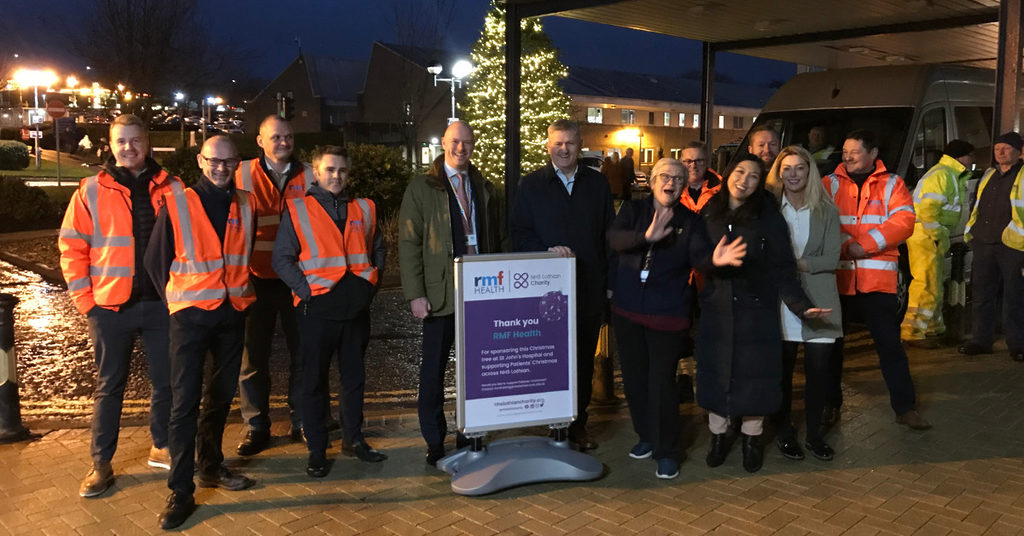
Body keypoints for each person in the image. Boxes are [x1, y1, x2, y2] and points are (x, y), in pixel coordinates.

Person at [58, 114, 179, 498]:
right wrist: (86, 302)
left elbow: (189, 245)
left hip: (162, 304)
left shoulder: (174, 187)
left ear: (148, 142)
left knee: (166, 384)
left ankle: (162, 446)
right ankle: (101, 464)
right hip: (110, 307)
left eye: (135, 140)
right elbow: (72, 248)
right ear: (110, 145)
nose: (128, 147)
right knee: (110, 387)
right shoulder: (90, 190)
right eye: (120, 141)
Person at [608, 157, 746, 479]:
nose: (670, 182)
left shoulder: (691, 221)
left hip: (666, 315)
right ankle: (646, 436)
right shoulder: (633, 211)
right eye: (664, 176)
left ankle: (667, 450)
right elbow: (615, 240)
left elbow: (699, 257)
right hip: (628, 311)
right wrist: (647, 236)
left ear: (683, 186)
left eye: (677, 178)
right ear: (652, 181)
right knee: (635, 381)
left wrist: (714, 259)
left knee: (661, 384)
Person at [145, 135, 257, 529]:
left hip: (232, 314)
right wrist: (179, 301)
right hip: (190, 319)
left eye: (229, 162)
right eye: (214, 161)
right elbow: (156, 262)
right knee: (184, 404)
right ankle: (180, 490)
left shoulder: (246, 202)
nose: (222, 168)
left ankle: (211, 465)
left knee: (220, 398)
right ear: (201, 160)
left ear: (237, 164)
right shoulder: (176, 202)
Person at [696, 154, 831, 474]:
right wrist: (714, 260)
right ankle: (718, 435)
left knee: (754, 377)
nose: (744, 179)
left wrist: (801, 305)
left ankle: (751, 438)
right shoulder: (709, 211)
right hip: (718, 309)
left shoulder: (768, 215)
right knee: (717, 373)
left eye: (754, 175)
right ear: (728, 174)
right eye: (739, 172)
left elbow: (783, 268)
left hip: (756, 308)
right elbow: (695, 255)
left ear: (760, 182)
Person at [272, 146, 388, 478]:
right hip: (317, 310)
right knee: (314, 382)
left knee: (354, 379)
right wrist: (305, 290)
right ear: (316, 173)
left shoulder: (364, 208)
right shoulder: (297, 210)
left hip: (355, 309)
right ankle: (317, 450)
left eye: (342, 171)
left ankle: (353, 439)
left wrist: (371, 283)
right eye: (329, 170)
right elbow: (282, 259)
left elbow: (377, 247)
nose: (336, 176)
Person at [398, 120, 502, 466]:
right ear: (444, 142)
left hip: (480, 292)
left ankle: (471, 431)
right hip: (441, 293)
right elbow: (409, 243)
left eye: (468, 142)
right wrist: (415, 293)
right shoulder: (422, 187)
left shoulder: (484, 186)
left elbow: (496, 239)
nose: (461, 148)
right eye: (455, 141)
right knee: (433, 371)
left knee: (476, 370)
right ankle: (434, 439)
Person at [511, 119, 615, 451]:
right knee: (550, 359)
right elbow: (519, 233)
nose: (564, 149)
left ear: (580, 145)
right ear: (547, 145)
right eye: (558, 143)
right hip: (546, 291)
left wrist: (609, 284)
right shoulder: (531, 185)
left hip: (587, 288)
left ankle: (577, 424)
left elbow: (608, 236)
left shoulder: (597, 184)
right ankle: (553, 424)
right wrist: (544, 252)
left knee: (583, 360)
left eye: (570, 143)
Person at [823, 130, 931, 430]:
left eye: (854, 151)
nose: (847, 156)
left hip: (877, 284)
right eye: (845, 151)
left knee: (889, 347)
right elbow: (823, 220)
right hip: (839, 281)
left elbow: (904, 221)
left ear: (873, 153)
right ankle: (830, 404)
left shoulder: (893, 183)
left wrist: (865, 244)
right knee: (832, 348)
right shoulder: (829, 184)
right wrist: (848, 243)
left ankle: (905, 407)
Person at [235, 115, 315, 456]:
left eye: (289, 136)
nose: (284, 142)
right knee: (253, 357)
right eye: (276, 137)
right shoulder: (240, 173)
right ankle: (256, 425)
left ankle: (303, 420)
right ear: (260, 140)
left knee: (304, 354)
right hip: (255, 277)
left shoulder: (310, 173)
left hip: (298, 279)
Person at [765, 146, 843, 462]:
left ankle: (813, 435)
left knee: (819, 375)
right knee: (782, 374)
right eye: (787, 168)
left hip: (821, 300)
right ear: (779, 173)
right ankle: (784, 433)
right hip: (782, 301)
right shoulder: (771, 210)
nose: (794, 174)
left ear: (810, 172)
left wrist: (795, 264)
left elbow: (832, 257)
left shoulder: (826, 210)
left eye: (800, 168)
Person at [902, 140, 975, 347]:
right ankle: (913, 331)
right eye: (971, 156)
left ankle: (932, 327)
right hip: (927, 234)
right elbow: (927, 209)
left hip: (929, 233)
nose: (972, 161)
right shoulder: (944, 175)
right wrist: (937, 234)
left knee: (933, 283)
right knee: (926, 283)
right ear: (962, 156)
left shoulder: (947, 174)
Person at [959, 132, 1024, 361]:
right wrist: (972, 234)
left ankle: (1017, 344)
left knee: (1014, 296)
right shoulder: (989, 175)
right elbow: (976, 205)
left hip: (1013, 246)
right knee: (982, 295)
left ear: (1019, 151)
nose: (1000, 152)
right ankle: (980, 340)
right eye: (997, 148)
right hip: (984, 242)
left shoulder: (1022, 175)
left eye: (1006, 148)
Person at [679, 141, 721, 213]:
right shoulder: (671, 189)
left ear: (707, 162)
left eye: (699, 161)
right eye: (688, 161)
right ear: (681, 163)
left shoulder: (722, 189)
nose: (693, 165)